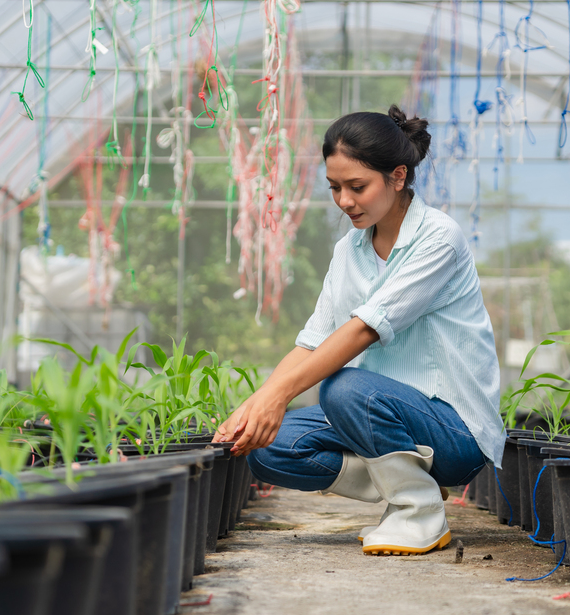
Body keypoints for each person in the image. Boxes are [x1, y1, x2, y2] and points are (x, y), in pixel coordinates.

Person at [212, 105, 504, 556]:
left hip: (454, 429)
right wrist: (254, 407)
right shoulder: (348, 250)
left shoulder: (437, 239)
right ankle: (410, 480)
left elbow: (362, 331)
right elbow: (312, 341)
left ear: (398, 176)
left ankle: (417, 508)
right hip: (382, 415)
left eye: (357, 187)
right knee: (266, 447)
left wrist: (278, 396)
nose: (344, 201)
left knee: (344, 387)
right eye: (334, 188)